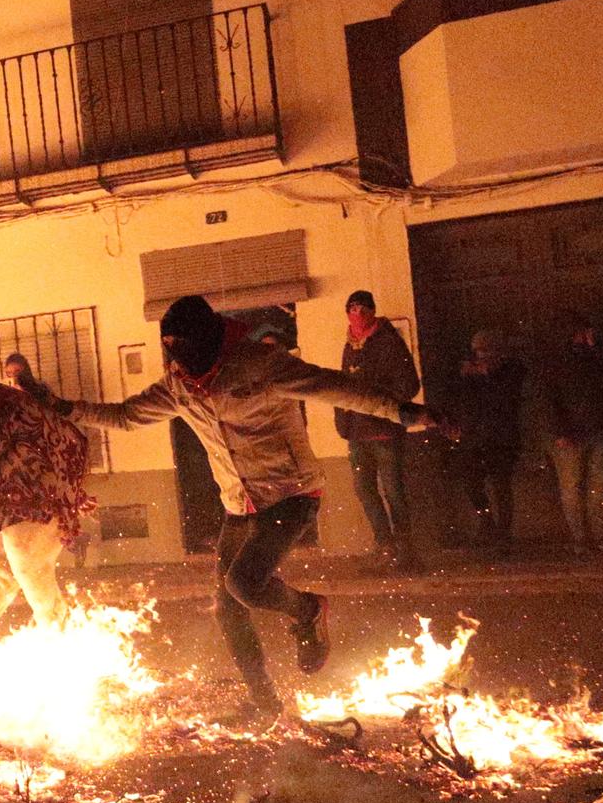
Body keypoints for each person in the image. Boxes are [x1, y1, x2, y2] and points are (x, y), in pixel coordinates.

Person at [60, 296, 445, 717]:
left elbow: (338, 388)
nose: (184, 366)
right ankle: (265, 704)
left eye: (188, 352)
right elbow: (125, 417)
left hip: (291, 494)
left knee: (243, 583)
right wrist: (65, 409)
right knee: (228, 610)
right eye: (173, 352)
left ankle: (309, 610)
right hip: (239, 505)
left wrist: (409, 412)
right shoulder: (178, 386)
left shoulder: (261, 365)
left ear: (210, 340)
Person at [336, 290, 423, 571]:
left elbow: (408, 385)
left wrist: (379, 400)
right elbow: (345, 384)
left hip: (384, 431)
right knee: (364, 490)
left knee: (394, 491)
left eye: (362, 308)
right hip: (357, 433)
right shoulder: (351, 344)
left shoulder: (388, 342)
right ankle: (385, 546)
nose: (357, 314)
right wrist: (344, 418)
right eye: (352, 308)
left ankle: (405, 551)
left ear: (372, 311)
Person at [543, 314, 603, 554]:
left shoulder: (586, 357)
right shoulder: (559, 361)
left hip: (590, 427)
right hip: (576, 429)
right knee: (578, 485)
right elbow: (548, 398)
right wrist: (560, 430)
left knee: (590, 484)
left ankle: (594, 535)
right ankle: (585, 537)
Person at [453, 329, 527, 555]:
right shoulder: (469, 374)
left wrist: (488, 375)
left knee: (501, 485)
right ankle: (486, 523)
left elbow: (508, 400)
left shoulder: (511, 370)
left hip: (501, 437)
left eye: (485, 350)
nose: (480, 355)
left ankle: (503, 532)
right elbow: (465, 401)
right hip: (475, 437)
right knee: (472, 483)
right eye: (477, 351)